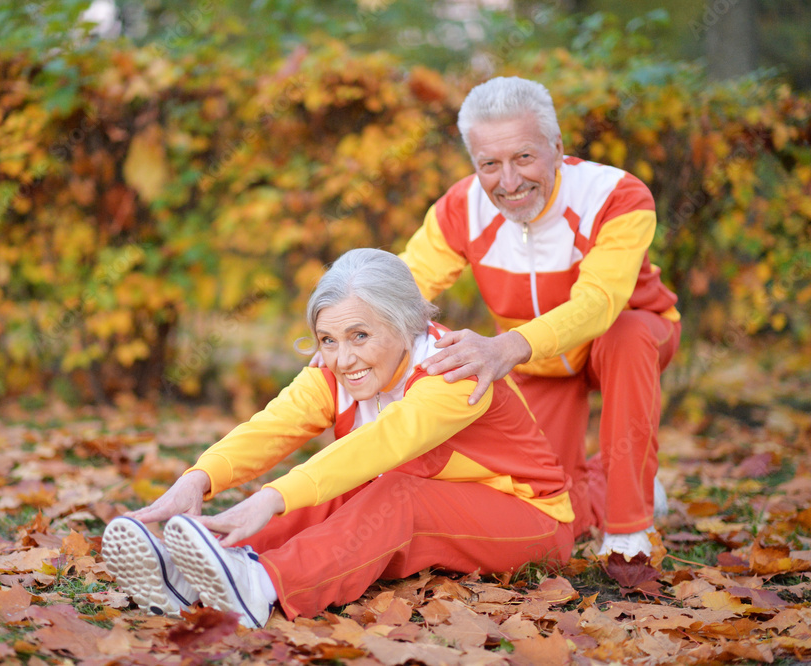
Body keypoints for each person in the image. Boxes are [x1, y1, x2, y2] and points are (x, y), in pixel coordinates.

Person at [102, 248, 574, 627]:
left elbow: (383, 443)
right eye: (328, 340)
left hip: (530, 520)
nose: (343, 358)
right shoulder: (332, 371)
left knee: (389, 488)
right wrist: (198, 479)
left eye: (360, 335)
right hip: (439, 505)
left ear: (407, 325)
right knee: (344, 483)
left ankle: (262, 585)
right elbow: (272, 426)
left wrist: (273, 496)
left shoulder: (453, 370)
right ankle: (193, 576)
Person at [397, 76, 681, 558]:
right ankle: (612, 484)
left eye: (524, 157)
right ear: (474, 163)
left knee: (627, 334)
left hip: (617, 337)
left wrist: (504, 347)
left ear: (557, 146)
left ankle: (630, 530)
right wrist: (347, 329)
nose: (509, 182)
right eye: (490, 164)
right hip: (539, 360)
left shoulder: (617, 195)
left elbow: (598, 304)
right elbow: (403, 288)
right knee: (556, 511)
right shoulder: (460, 208)